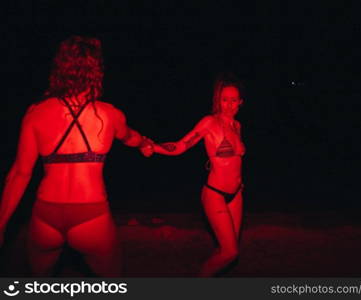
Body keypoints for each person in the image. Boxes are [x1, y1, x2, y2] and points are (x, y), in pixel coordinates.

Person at [0, 36, 152, 276]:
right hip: (90, 214)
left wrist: (1, 224)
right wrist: (146, 144)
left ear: (60, 68)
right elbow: (131, 137)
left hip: (45, 215)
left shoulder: (36, 113)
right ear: (96, 70)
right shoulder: (109, 114)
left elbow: (20, 173)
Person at [150, 73, 245, 276]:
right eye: (224, 99)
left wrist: (239, 183)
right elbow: (181, 145)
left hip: (236, 194)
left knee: (227, 250)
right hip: (216, 194)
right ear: (217, 101)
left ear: (240, 102)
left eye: (233, 100)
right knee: (230, 252)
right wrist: (153, 147)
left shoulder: (237, 126)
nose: (229, 105)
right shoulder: (210, 123)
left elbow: (235, 161)